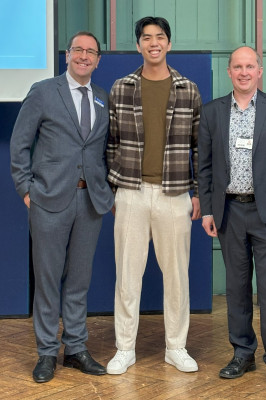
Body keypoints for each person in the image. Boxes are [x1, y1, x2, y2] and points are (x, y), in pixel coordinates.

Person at [198, 46, 266, 389]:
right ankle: (242, 353)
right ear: (229, 71)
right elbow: (204, 167)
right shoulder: (212, 112)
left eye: (250, 66)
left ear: (259, 71)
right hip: (229, 211)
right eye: (237, 67)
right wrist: (208, 209)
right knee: (236, 288)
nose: (244, 72)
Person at [10, 31, 114, 383]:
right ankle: (45, 353)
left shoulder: (102, 98)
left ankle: (75, 348)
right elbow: (19, 144)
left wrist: (108, 191)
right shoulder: (43, 91)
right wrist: (27, 189)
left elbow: (103, 151)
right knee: (48, 279)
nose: (84, 56)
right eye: (78, 50)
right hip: (49, 201)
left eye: (91, 52)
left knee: (79, 281)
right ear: (68, 55)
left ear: (98, 60)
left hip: (90, 202)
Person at [106, 16, 202, 374]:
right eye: (146, 38)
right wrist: (114, 190)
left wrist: (196, 193)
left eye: (159, 37)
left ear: (169, 44)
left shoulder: (188, 89)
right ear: (138, 45)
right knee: (127, 276)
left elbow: (197, 147)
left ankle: (176, 347)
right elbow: (111, 143)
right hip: (131, 192)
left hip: (174, 193)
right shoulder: (122, 87)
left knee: (176, 276)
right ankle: (124, 348)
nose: (153, 43)